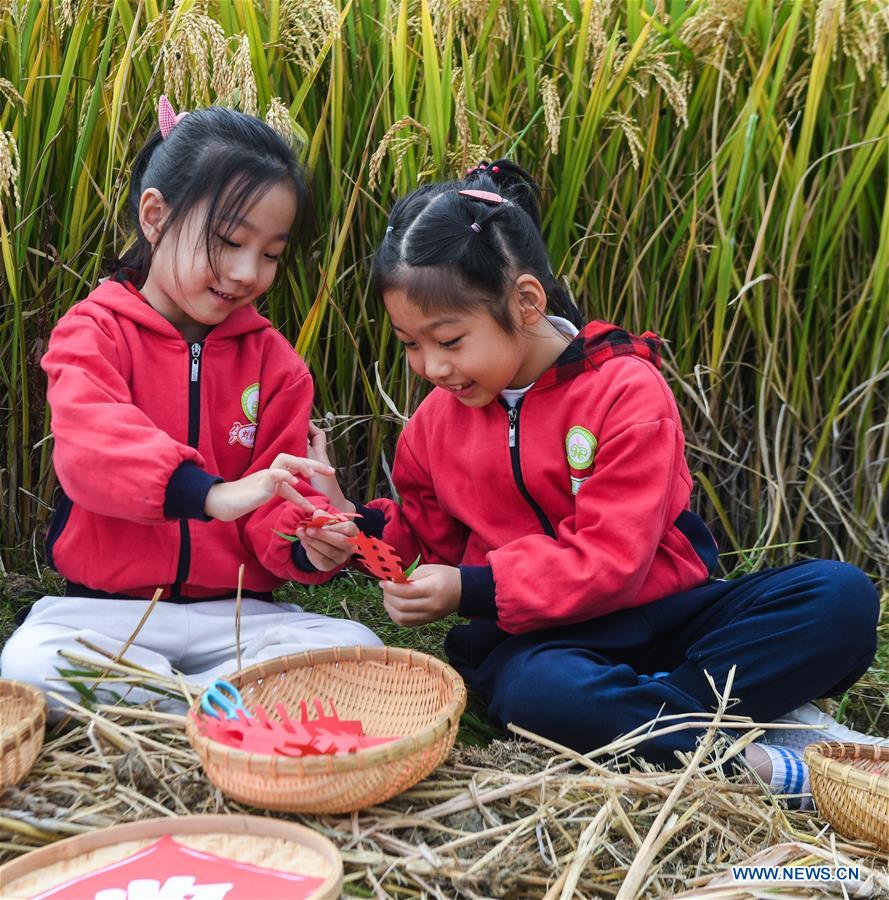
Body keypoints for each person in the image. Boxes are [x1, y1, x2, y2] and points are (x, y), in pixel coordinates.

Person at [309, 160, 884, 806]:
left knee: (841, 599)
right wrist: (352, 531)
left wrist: (472, 587)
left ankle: (647, 719)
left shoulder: (625, 391)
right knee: (540, 694)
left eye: (449, 340)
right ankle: (756, 761)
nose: (431, 367)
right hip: (538, 645)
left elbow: (614, 557)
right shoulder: (432, 428)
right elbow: (423, 542)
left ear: (526, 303)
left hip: (667, 615)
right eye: (409, 345)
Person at [0, 98, 380, 711]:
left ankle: (180, 701)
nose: (248, 272)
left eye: (271, 254)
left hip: (239, 617)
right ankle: (224, 705)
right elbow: (93, 449)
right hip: (106, 615)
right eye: (229, 241)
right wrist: (211, 494)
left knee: (357, 647)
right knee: (31, 664)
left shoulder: (278, 365)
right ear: (155, 216)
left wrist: (309, 541)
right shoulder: (92, 333)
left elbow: (281, 496)